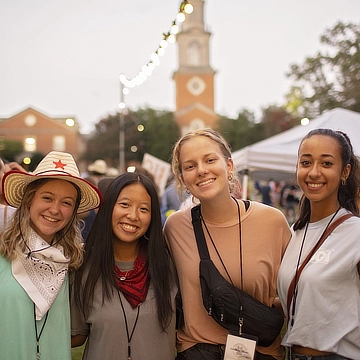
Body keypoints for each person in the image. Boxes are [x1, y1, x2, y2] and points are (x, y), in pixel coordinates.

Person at [163, 128, 291, 360]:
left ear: (229, 166)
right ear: (182, 178)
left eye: (210, 160)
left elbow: (295, 293)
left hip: (259, 352)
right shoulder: (174, 228)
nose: (201, 170)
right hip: (198, 352)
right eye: (190, 166)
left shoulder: (272, 222)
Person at [0, 151, 101, 360]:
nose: (55, 209)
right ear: (29, 201)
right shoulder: (3, 252)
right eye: (47, 198)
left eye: (66, 203)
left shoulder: (75, 262)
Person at [71, 172, 177, 360]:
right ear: (108, 207)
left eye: (144, 209)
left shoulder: (169, 264)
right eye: (124, 204)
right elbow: (75, 336)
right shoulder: (83, 265)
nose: (133, 216)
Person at [277, 129, 360, 360]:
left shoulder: (355, 233)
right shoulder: (295, 232)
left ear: (345, 172)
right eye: (306, 162)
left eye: (326, 163)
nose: (314, 172)